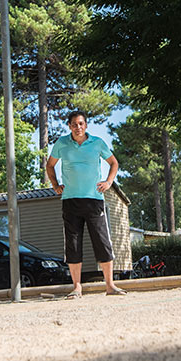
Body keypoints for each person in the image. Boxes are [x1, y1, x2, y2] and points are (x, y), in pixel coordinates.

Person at [45, 110, 127, 298]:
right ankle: (77, 287)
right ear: (69, 126)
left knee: (102, 241)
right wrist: (56, 185)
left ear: (86, 125)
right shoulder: (62, 143)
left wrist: (108, 182)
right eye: (74, 124)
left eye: (81, 123)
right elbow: (50, 165)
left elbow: (114, 162)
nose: (78, 127)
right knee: (73, 245)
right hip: (70, 200)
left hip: (94, 200)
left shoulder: (97, 143)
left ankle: (110, 286)